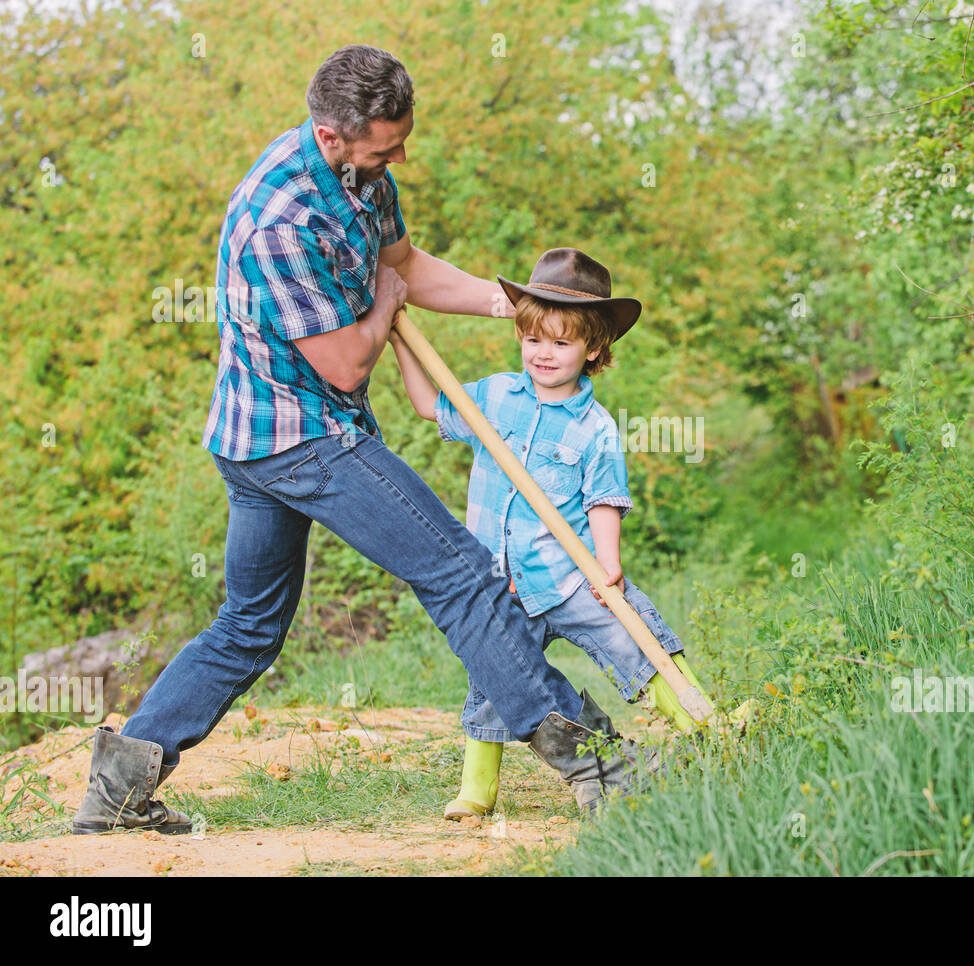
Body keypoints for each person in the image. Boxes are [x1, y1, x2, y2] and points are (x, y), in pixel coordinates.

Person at [72, 46, 651, 835]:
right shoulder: (277, 221)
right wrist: (384, 299)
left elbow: (407, 262)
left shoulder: (362, 175)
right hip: (295, 439)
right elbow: (348, 362)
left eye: (402, 141)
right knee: (459, 571)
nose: (400, 158)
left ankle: (115, 794)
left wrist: (522, 308)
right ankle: (597, 763)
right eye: (386, 148)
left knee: (249, 626)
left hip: (274, 433)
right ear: (331, 134)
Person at [388, 248, 707, 818]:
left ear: (594, 349)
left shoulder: (595, 427)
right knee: (492, 678)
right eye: (534, 338)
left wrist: (606, 562)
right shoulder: (491, 397)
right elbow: (426, 404)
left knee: (634, 642)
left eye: (561, 343)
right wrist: (397, 339)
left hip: (570, 577)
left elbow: (604, 499)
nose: (544, 353)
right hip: (499, 582)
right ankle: (476, 790)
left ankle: (705, 727)